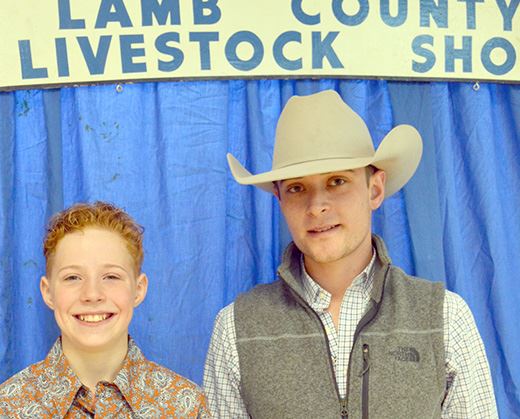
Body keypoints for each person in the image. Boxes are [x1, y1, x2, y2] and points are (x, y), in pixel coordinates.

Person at [203, 90, 498, 418]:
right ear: (279, 199)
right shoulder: (236, 329)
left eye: (337, 181)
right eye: (297, 188)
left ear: (374, 190)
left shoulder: (445, 318)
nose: (317, 207)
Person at [0, 201, 210, 418]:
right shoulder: (0, 409)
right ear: (48, 292)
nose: (92, 294)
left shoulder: (185, 406)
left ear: (138, 289)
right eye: (73, 277)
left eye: (111, 276)